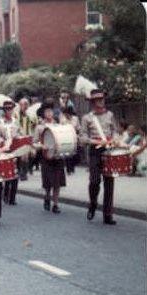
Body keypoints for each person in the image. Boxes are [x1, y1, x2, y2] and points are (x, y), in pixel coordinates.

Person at [79, 89, 120, 225]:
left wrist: (114, 139)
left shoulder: (110, 115)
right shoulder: (87, 118)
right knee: (94, 181)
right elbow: (82, 137)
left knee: (109, 182)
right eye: (97, 99)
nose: (101, 101)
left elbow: (115, 131)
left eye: (102, 99)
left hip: (108, 150)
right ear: (92, 102)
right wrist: (95, 141)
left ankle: (108, 215)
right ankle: (93, 204)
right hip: (95, 151)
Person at [34, 100, 67, 214]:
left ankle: (55, 204)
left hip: (57, 157)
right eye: (47, 111)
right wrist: (42, 146)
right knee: (48, 183)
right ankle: (47, 196)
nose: (49, 113)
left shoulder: (58, 125)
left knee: (57, 182)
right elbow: (34, 143)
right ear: (43, 113)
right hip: (46, 157)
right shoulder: (39, 127)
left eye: (51, 111)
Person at [0, 99, 20, 205]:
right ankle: (6, 194)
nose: (9, 111)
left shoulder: (16, 121)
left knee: (15, 173)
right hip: (5, 149)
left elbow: (20, 133)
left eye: (11, 109)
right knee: (7, 173)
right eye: (7, 109)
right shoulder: (0, 122)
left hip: (15, 149)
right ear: (4, 110)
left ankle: (13, 197)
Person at [60, 105, 80, 174]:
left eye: (68, 114)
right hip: (66, 137)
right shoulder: (62, 119)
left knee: (74, 154)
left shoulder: (75, 119)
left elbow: (78, 128)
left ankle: (72, 167)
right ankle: (69, 169)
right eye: (66, 114)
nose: (67, 115)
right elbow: (61, 128)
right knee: (68, 154)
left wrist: (78, 135)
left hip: (74, 137)